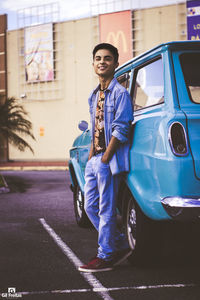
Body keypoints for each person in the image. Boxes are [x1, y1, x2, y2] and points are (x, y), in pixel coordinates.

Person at [78, 43, 133, 273]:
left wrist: (104, 158)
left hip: (108, 160)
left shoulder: (120, 93)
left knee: (107, 209)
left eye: (108, 58)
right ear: (93, 64)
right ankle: (119, 243)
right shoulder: (94, 94)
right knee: (90, 206)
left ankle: (106, 255)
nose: (102, 61)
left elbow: (121, 129)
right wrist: (92, 155)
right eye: (98, 58)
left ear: (116, 64)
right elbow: (95, 126)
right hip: (95, 159)